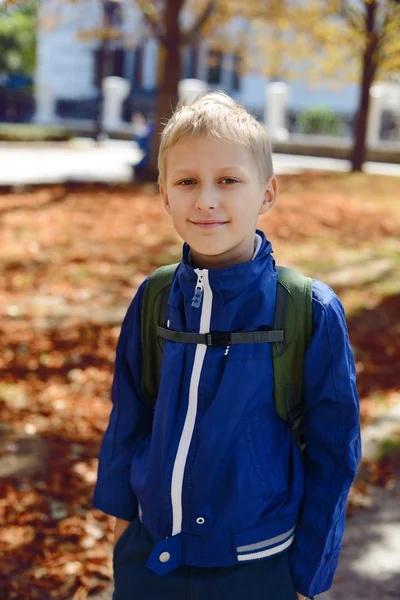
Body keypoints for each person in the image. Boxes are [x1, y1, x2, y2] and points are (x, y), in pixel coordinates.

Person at [93, 92, 361, 600]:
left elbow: (335, 452)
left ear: (266, 194)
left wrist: (308, 574)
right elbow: (129, 414)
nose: (207, 199)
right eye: (187, 181)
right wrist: (122, 522)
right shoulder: (155, 296)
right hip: (153, 559)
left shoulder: (309, 309)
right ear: (164, 194)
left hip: (259, 569)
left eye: (229, 181)